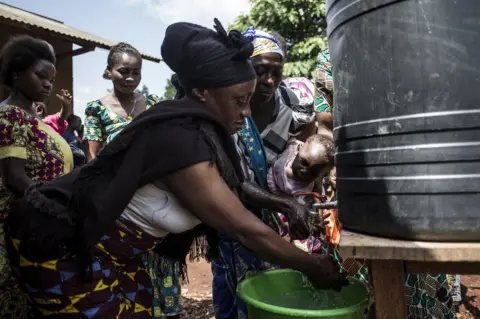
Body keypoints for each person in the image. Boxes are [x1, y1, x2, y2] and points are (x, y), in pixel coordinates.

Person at [5, 20, 347, 319]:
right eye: (239, 101)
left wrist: (287, 204)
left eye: (249, 100)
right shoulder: (181, 139)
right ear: (201, 92)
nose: (246, 113)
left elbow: (236, 186)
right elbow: (245, 230)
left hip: (118, 255)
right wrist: (312, 266)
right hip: (60, 247)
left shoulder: (203, 129)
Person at [211, 27, 318, 319]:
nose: (269, 80)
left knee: (278, 288)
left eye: (276, 71)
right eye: (260, 71)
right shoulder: (228, 112)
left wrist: (303, 197)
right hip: (234, 210)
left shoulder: (295, 105)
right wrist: (287, 205)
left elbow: (310, 148)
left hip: (283, 216)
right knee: (234, 285)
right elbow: (236, 182)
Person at [0, 35, 74, 319]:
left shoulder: (32, 117)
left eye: (51, 80)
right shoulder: (10, 116)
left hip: (38, 227)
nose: (47, 84)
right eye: (40, 76)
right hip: (17, 231)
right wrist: (55, 209)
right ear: (17, 74)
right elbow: (14, 178)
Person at [83, 42, 161, 161]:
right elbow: (91, 156)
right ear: (109, 70)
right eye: (123, 71)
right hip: (114, 177)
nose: (130, 78)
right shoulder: (97, 108)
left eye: (136, 73)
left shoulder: (151, 103)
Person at [267, 134, 334, 198]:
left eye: (314, 173)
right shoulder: (294, 147)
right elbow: (292, 142)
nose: (305, 171)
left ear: (320, 176)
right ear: (299, 148)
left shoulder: (297, 188)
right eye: (304, 162)